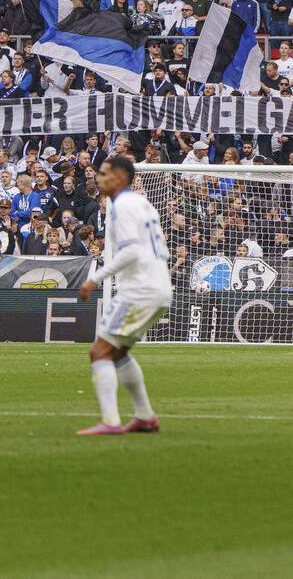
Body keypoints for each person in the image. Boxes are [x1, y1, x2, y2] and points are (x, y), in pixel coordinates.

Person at [74, 155, 173, 437]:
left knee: (99, 351)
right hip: (158, 286)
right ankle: (144, 416)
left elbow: (130, 251)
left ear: (119, 177)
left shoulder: (122, 204)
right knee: (117, 352)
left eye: (104, 173)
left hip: (140, 289)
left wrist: (94, 279)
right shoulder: (143, 203)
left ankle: (111, 421)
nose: (99, 177)